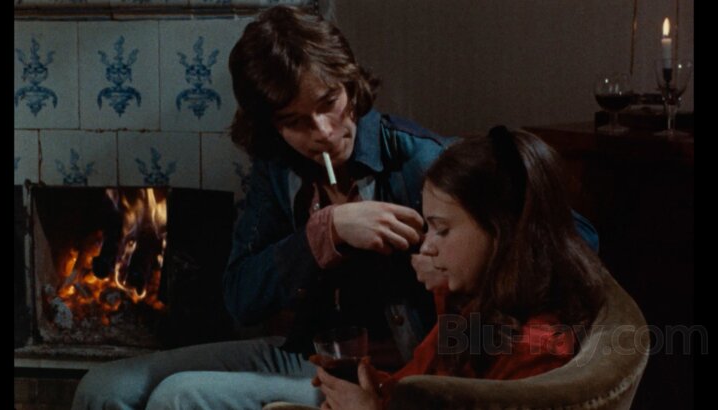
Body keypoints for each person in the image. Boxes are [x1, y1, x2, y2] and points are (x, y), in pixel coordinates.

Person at [72, 6, 598, 409]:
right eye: (295, 122)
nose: (323, 133)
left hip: (388, 368)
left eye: (329, 104)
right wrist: (323, 233)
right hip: (304, 351)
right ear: (272, 126)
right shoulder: (278, 169)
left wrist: (442, 260)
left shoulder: (418, 160)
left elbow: (566, 236)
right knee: (102, 388)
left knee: (179, 397)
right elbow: (239, 299)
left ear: (350, 84)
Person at [311, 127, 608, 410]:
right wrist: (370, 387)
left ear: (500, 230)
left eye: (442, 230)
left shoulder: (535, 347)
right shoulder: (475, 304)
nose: (426, 247)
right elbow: (421, 385)